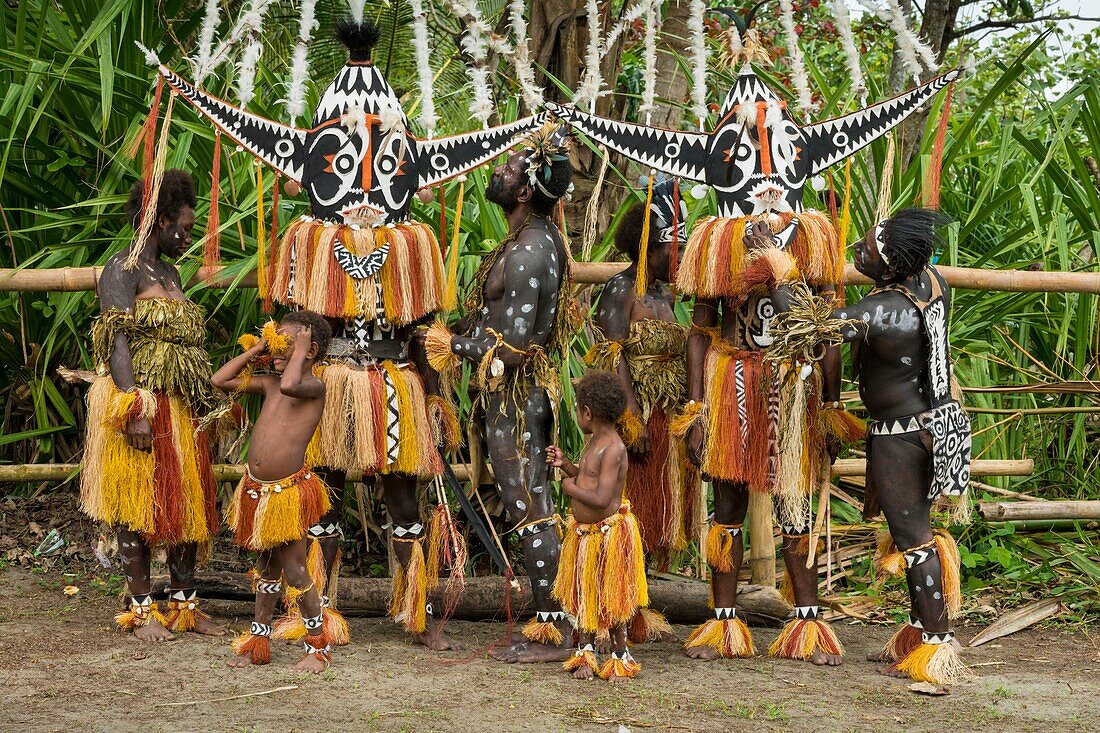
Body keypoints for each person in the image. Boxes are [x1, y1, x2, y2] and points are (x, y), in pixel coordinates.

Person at [759, 208, 971, 687]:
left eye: (869, 248)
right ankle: (919, 633)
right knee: (915, 533)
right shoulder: (932, 282)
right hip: (938, 423)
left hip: (902, 435)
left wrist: (776, 264)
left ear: (893, 266)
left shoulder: (883, 310)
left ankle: (936, 647)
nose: (858, 249)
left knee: (914, 538)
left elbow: (804, 327)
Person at [423, 121, 576, 663]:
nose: (497, 169)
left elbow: (509, 348)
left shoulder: (531, 250)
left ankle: (556, 629)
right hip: (514, 397)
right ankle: (550, 621)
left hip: (518, 396)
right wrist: (456, 331)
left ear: (526, 190)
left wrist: (448, 345)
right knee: (527, 502)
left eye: (509, 167)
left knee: (530, 504)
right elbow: (493, 325)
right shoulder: (526, 240)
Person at [81, 170, 225, 641]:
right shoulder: (121, 269)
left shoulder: (169, 271)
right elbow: (116, 339)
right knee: (136, 503)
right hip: (140, 400)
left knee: (185, 502)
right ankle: (141, 611)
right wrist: (135, 406)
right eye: (184, 227)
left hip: (179, 406)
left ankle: (184, 604)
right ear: (160, 220)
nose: (189, 236)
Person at [586, 179, 697, 642]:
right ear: (650, 248)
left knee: (656, 518)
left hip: (667, 416)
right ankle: (617, 609)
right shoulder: (619, 291)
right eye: (677, 248)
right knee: (625, 511)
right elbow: (610, 355)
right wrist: (629, 417)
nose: (683, 257)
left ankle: (637, 607)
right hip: (638, 421)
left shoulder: (669, 296)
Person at [212, 311, 339, 673]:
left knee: (296, 571)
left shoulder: (313, 386)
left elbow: (290, 385)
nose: (279, 351)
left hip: (288, 493)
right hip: (258, 490)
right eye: (277, 344)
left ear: (310, 350)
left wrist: (298, 349)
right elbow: (219, 379)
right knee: (266, 568)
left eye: (288, 344)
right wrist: (259, 349)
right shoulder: (268, 382)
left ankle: (318, 648)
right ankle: (258, 640)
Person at [547, 370, 646, 682]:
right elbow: (587, 477)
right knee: (585, 595)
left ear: (587, 412)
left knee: (612, 598)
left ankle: (619, 658)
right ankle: (586, 655)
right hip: (586, 536)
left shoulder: (613, 448)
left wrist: (569, 487)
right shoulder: (595, 441)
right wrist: (567, 466)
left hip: (608, 535)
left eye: (578, 409)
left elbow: (602, 498)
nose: (578, 414)